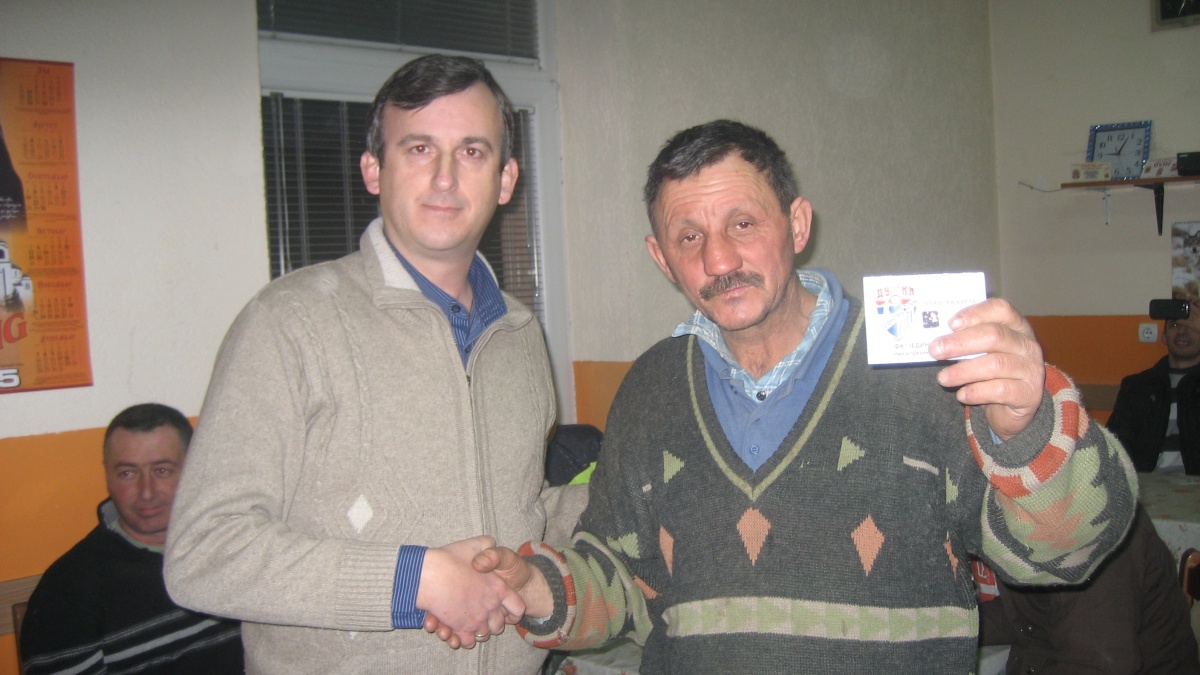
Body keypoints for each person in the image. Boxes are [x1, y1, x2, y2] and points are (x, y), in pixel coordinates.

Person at [438, 120, 1138, 673]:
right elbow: (624, 578)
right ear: (661, 258)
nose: (718, 260)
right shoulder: (650, 388)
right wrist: (535, 588)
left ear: (797, 225)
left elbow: (1065, 553)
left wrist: (1027, 428)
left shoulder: (929, 371)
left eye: (742, 224)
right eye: (689, 236)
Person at [163, 54, 585, 673]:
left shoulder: (520, 334)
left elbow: (520, 507)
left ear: (505, 178)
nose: (445, 178)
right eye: (419, 149)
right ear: (373, 170)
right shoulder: (288, 322)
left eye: (472, 152)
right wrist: (416, 581)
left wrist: (629, 493)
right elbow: (204, 553)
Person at [20, 403, 243, 674]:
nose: (146, 492)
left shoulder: (235, 544)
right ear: (107, 476)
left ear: (194, 469)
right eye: (128, 473)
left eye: (162, 470)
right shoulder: (66, 593)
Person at [978, 504, 1199, 673]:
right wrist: (959, 622)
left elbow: (1096, 665)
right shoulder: (1028, 512)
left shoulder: (1096, 528)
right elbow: (1029, 618)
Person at [1107, 300, 1200, 473]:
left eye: (1190, 326)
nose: (1182, 332)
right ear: (1164, 336)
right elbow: (1116, 445)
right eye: (1174, 325)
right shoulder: (1137, 387)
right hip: (1148, 484)